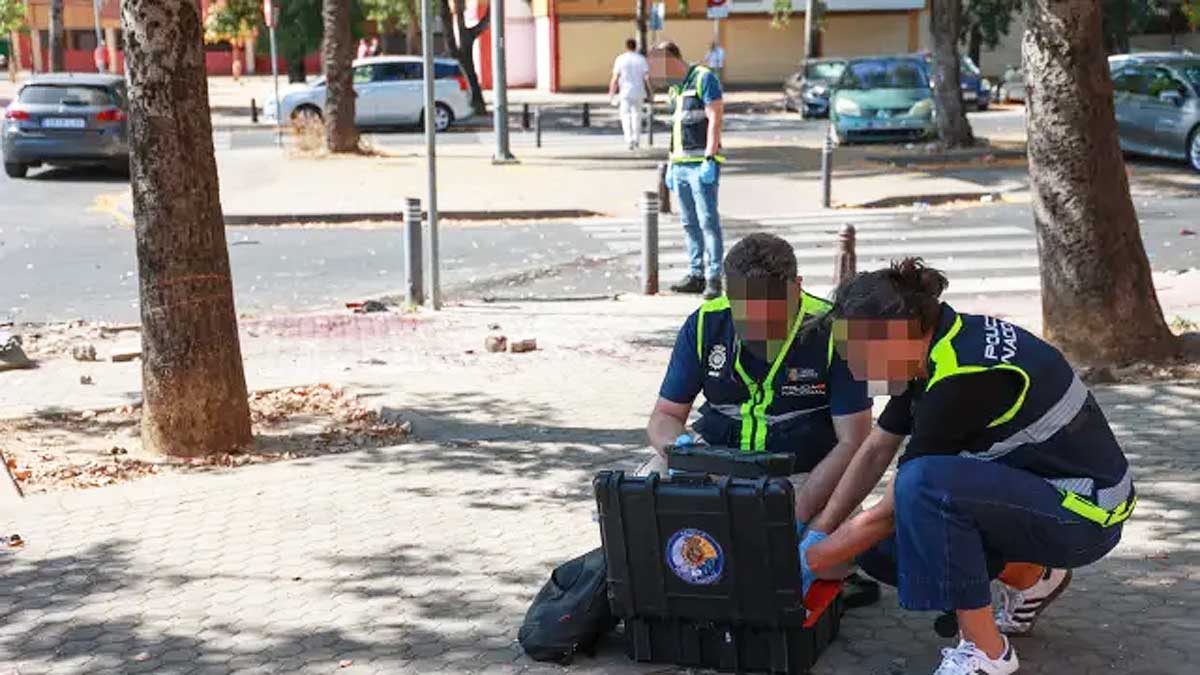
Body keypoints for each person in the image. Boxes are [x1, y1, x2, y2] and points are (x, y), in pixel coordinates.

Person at [797, 258, 1134, 675]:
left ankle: (988, 654)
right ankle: (1034, 576)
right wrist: (817, 533)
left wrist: (801, 566)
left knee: (923, 487)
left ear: (899, 336)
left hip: (1085, 515)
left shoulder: (963, 377)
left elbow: (894, 506)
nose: (853, 367)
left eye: (859, 353)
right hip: (1043, 494)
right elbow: (875, 450)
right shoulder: (933, 347)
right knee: (883, 552)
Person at [645, 234, 881, 606]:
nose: (757, 326)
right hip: (719, 470)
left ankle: (826, 573)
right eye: (745, 312)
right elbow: (665, 416)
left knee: (833, 550)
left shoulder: (834, 331)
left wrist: (798, 518)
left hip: (804, 478)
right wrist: (684, 453)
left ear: (796, 289)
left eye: (770, 313)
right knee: (648, 486)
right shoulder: (706, 323)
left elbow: (855, 442)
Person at [650, 41, 725, 300]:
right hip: (680, 164)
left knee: (707, 221)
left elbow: (715, 117)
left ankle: (714, 278)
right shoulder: (675, 89)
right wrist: (670, 162)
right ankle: (696, 274)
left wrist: (710, 157)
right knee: (688, 223)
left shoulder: (704, 78)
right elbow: (676, 129)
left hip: (700, 164)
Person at [608, 39, 652, 151]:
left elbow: (615, 78)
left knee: (625, 116)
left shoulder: (620, 59)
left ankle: (629, 140)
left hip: (625, 92)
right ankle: (636, 140)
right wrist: (650, 92)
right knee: (637, 116)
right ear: (635, 46)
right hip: (639, 91)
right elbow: (646, 78)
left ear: (626, 46)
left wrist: (612, 93)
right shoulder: (641, 59)